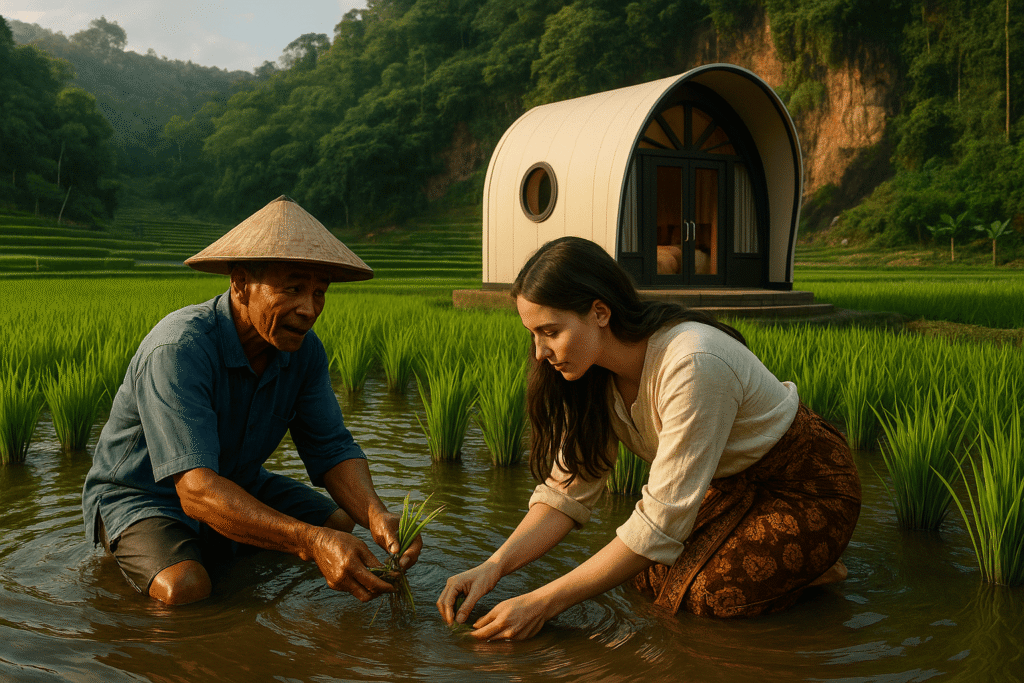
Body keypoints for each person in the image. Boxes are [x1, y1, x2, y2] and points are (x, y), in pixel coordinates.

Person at [437, 236, 861, 640]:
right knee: (646, 576)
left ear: (600, 312)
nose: (539, 353)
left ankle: (816, 568)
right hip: (730, 485)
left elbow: (658, 525)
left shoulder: (692, 362)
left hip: (806, 488)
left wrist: (542, 603)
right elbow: (566, 493)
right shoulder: (592, 376)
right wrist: (493, 567)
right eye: (533, 334)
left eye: (550, 331)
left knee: (712, 596)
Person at [82, 195, 420, 606]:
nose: (309, 309)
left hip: (237, 480)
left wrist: (376, 515)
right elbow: (195, 490)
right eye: (293, 288)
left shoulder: (304, 352)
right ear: (240, 283)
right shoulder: (180, 349)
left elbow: (330, 447)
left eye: (319, 292)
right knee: (186, 588)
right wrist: (309, 542)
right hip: (146, 494)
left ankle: (228, 546)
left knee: (341, 522)